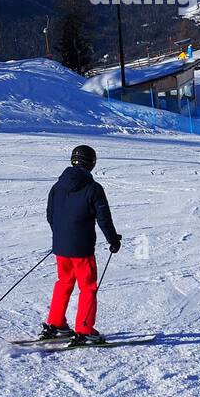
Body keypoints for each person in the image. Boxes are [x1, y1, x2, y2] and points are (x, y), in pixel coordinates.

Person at [39, 145, 122, 346]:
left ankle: (56, 323)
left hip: (61, 247)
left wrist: (61, 237)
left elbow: (51, 216)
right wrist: (113, 240)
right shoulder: (93, 188)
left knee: (64, 282)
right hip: (82, 249)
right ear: (92, 163)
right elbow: (104, 218)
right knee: (88, 287)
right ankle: (84, 329)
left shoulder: (57, 187)